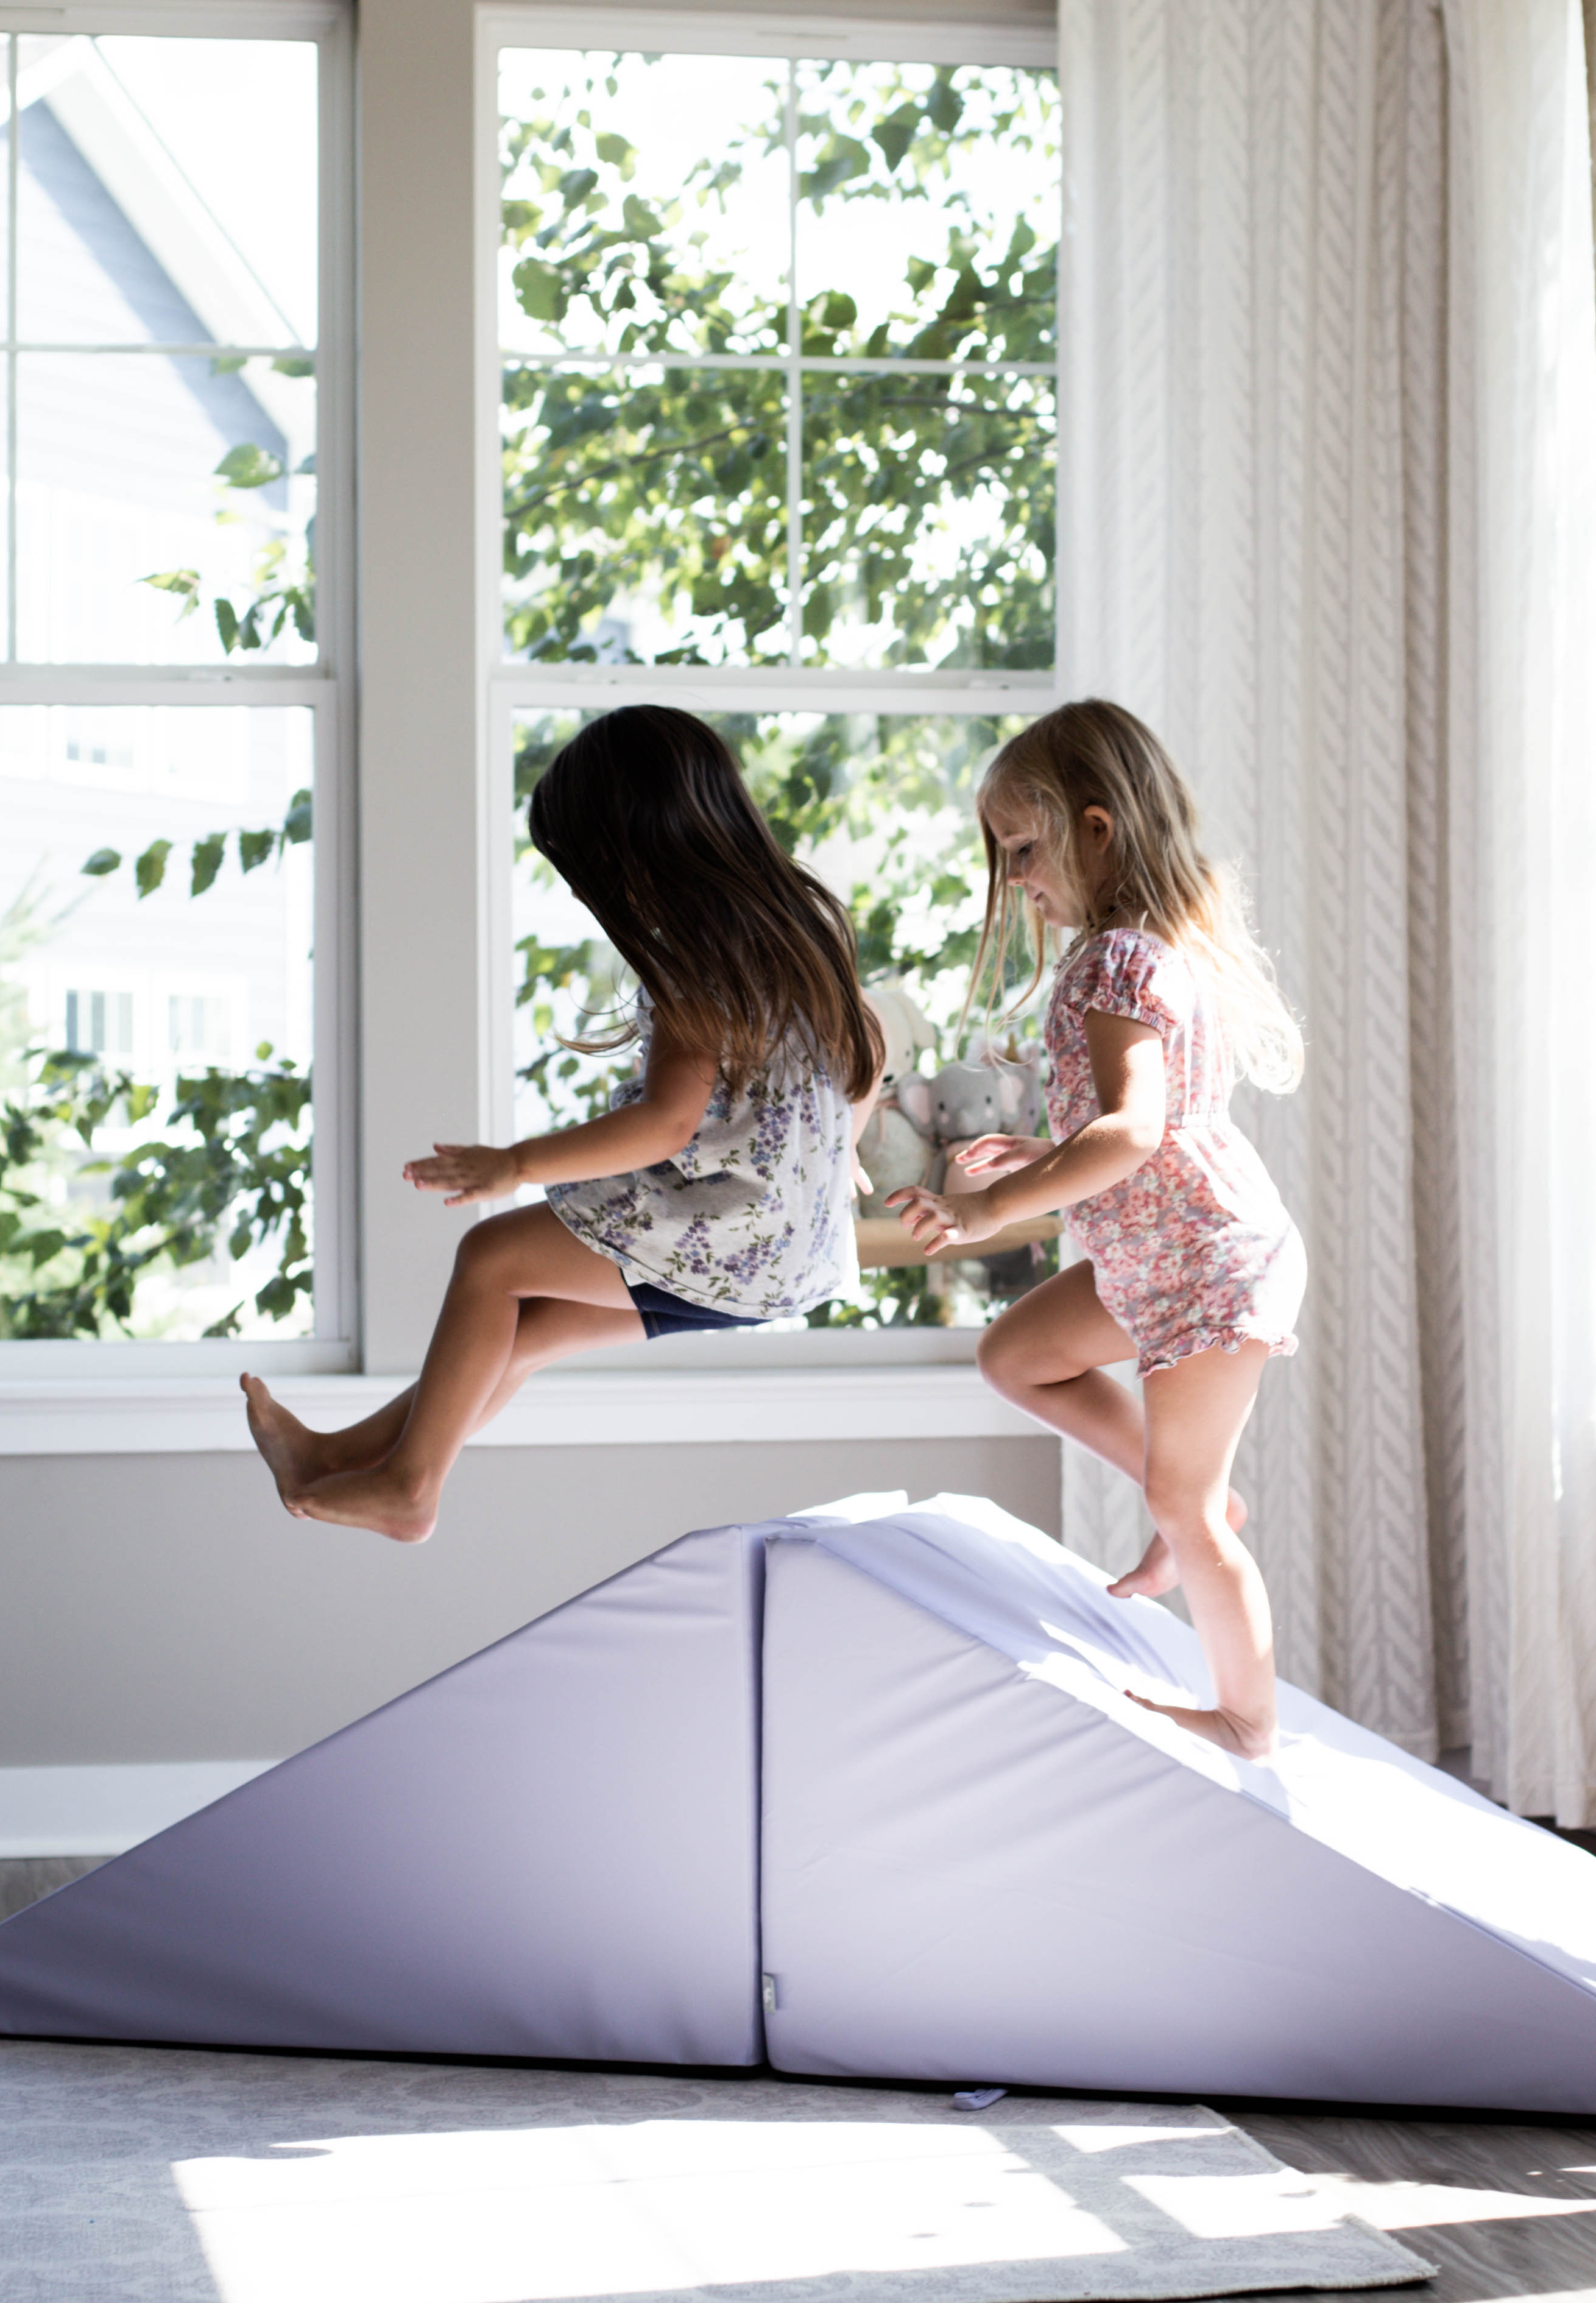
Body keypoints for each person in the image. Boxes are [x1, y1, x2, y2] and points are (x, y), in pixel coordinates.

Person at [244, 704, 877, 1540]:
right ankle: (340, 1461)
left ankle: (410, 1487)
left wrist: (516, 1164)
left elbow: (665, 1126)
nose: (593, 898)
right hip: (795, 1250)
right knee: (523, 1324)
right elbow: (866, 1046)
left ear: (635, 853)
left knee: (490, 1258)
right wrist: (832, 1153)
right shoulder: (802, 920)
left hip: (732, 1232)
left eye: (590, 876)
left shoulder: (699, 960)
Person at [889, 700, 1305, 1758]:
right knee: (1019, 1356)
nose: (1018, 878)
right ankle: (1192, 1502)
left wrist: (988, 1207)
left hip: (1203, 1261)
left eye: (1025, 850)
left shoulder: (1120, 959)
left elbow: (1134, 1129)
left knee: (1188, 1503)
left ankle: (1247, 1717)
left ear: (1097, 827)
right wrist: (1045, 1151)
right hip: (1155, 1251)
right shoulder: (1138, 951)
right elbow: (1128, 1128)